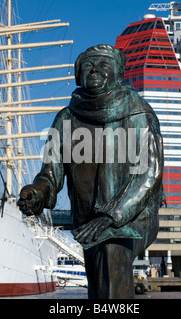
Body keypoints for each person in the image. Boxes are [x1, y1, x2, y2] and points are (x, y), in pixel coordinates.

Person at [17, 44, 163, 299]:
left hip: (130, 218)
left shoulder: (139, 114)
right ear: (78, 75)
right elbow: (51, 172)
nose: (94, 69)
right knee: (97, 278)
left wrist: (110, 216)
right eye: (88, 65)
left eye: (103, 65)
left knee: (111, 253)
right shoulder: (66, 119)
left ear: (118, 74)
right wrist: (37, 193)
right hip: (88, 220)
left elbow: (148, 175)